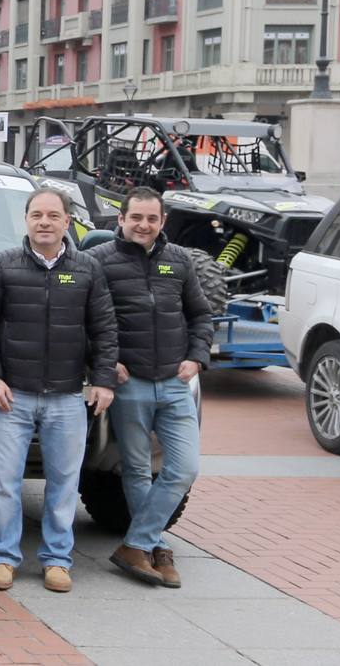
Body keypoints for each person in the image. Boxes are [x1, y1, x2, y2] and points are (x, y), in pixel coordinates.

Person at [0, 187, 118, 594]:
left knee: (63, 482)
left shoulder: (88, 268)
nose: (44, 222)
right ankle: (2, 558)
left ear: (67, 221)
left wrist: (104, 379)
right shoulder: (1, 267)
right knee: (4, 481)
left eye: (53, 216)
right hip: (12, 395)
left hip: (68, 396)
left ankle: (57, 560)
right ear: (26, 219)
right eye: (37, 214)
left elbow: (104, 329)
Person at [95, 188, 210, 588]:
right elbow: (88, 322)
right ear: (120, 220)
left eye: (152, 219)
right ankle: (156, 547)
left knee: (184, 468)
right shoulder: (99, 262)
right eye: (136, 218)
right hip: (131, 384)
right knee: (138, 469)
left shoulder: (179, 261)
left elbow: (200, 314)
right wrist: (107, 363)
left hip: (176, 382)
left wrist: (197, 356)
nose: (143, 225)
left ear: (162, 222)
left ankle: (137, 543)